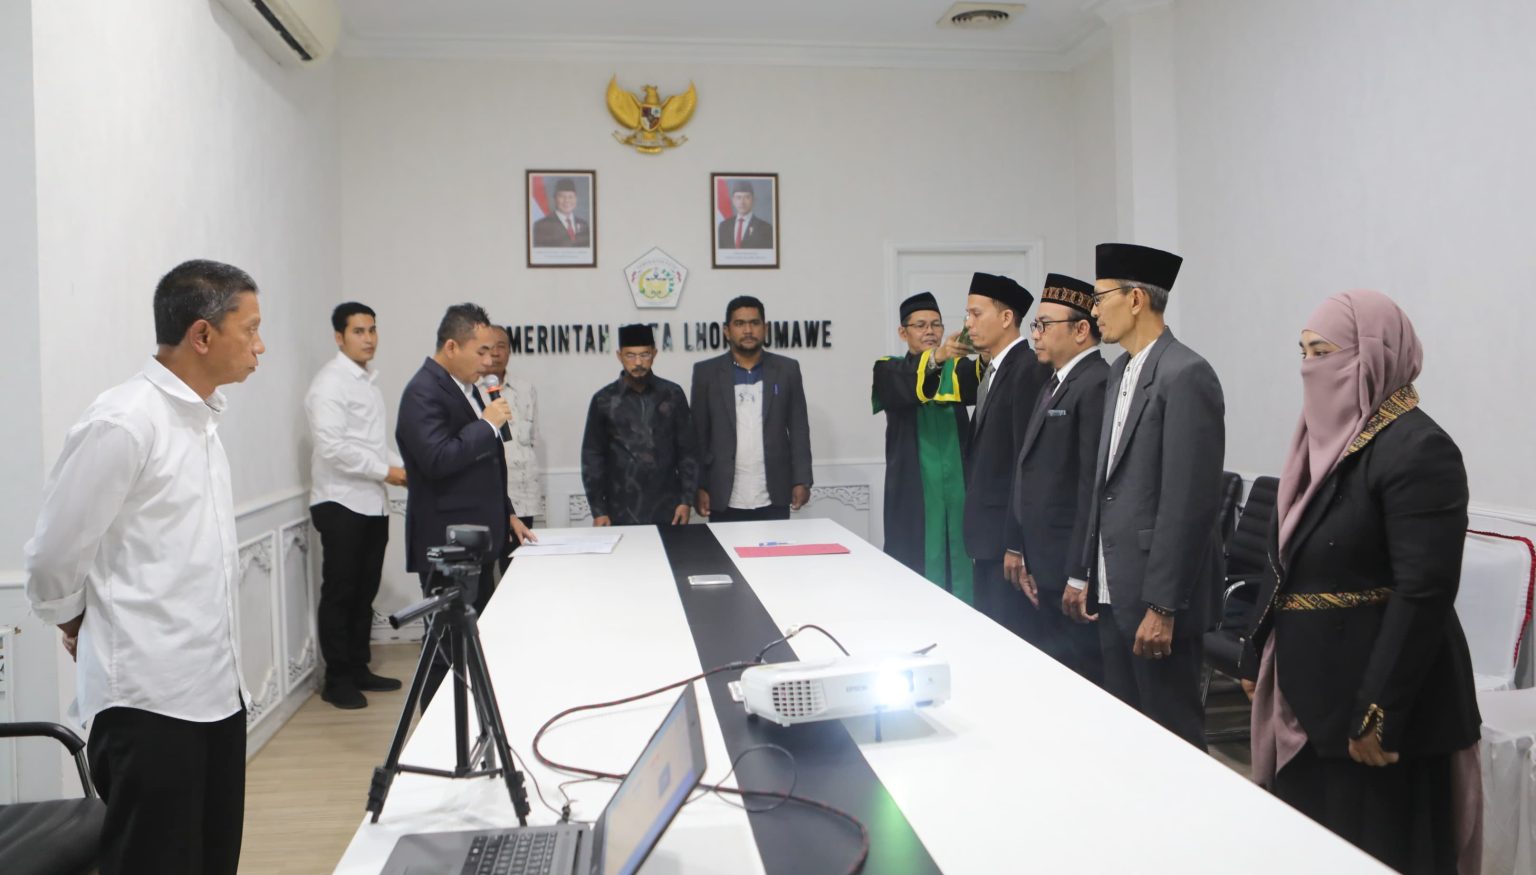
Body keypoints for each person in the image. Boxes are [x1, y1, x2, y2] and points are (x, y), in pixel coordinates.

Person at [24, 259, 264, 875]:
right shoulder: (124, 420)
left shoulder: (202, 420)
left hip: (217, 689)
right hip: (148, 701)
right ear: (202, 335)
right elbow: (54, 555)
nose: (259, 346)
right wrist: (74, 620)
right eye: (250, 329)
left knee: (214, 859)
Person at [1241, 290, 1481, 874]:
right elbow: (1288, 556)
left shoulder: (1418, 449)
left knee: (1377, 851)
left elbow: (1423, 591)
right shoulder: (1321, 445)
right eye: (1302, 352)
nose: (1309, 367)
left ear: (1375, 355)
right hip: (1308, 699)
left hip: (1379, 712)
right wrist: (1256, 650)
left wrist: (1378, 713)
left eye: (1323, 352)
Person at [1066, 242, 1224, 750]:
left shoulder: (1186, 373)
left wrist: (1164, 605)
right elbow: (1104, 484)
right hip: (1114, 586)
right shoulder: (1120, 371)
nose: (1093, 311)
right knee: (1128, 736)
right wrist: (1085, 572)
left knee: (1172, 738)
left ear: (1135, 299)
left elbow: (1188, 503)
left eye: (1100, 298)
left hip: (1156, 598)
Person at [396, 303, 535, 707]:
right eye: (481, 351)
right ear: (452, 347)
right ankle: (434, 730)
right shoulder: (423, 391)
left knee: (472, 642)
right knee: (444, 647)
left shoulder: (465, 388)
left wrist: (507, 511)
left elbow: (484, 463)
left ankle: (471, 718)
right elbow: (437, 460)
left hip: (476, 539)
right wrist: (487, 424)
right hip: (446, 543)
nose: (488, 361)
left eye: (492, 351)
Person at [927, 272, 1051, 638]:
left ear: (1007, 317)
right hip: (988, 538)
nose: (968, 324)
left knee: (1014, 638)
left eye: (976, 314)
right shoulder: (994, 369)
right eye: (968, 314)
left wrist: (1017, 543)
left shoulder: (1027, 369)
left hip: (1006, 542)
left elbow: (1025, 463)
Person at [1002, 273, 1107, 683]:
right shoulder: (1055, 381)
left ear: (1081, 330)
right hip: (1044, 562)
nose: (1036, 335)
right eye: (1036, 325)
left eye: (1045, 325)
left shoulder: (1095, 383)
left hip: (1068, 567)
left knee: (1081, 678)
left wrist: (1079, 573)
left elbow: (1090, 486)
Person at [305, 302, 407, 710]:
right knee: (341, 593)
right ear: (339, 337)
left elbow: (372, 445)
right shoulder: (329, 384)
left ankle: (359, 667)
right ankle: (337, 680)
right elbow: (332, 448)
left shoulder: (367, 383)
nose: (368, 338)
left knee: (365, 591)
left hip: (371, 503)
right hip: (340, 501)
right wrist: (386, 471)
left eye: (372, 330)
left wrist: (404, 467)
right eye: (359, 331)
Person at [871, 291, 973, 603]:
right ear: (903, 333)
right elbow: (904, 386)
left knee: (963, 563)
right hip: (913, 494)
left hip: (960, 490)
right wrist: (938, 358)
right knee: (913, 566)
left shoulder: (957, 369)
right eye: (920, 325)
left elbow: (983, 378)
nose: (930, 331)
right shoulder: (888, 369)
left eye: (936, 324)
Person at [691, 296, 812, 522]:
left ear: (765, 328)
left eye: (754, 323)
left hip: (774, 490)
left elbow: (799, 429)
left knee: (775, 546)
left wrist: (802, 479)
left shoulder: (787, 369)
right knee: (724, 547)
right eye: (739, 324)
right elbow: (698, 435)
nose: (748, 330)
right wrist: (699, 485)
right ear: (727, 331)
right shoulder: (706, 373)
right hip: (722, 492)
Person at [581, 324, 699, 526]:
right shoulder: (604, 400)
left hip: (668, 508)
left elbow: (688, 450)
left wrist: (686, 500)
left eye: (644, 355)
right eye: (630, 355)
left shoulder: (672, 394)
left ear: (654, 354)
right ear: (619, 356)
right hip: (619, 509)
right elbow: (592, 457)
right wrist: (598, 511)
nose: (638, 362)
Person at [481, 324, 543, 539]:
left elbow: (532, 437)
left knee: (521, 555)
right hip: (488, 493)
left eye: (501, 346)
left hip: (523, 492)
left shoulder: (525, 389)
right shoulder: (471, 391)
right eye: (489, 347)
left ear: (509, 351)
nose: (495, 353)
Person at [532, 178, 591, 247]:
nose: (567, 201)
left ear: (576, 199)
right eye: (562, 196)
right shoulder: (542, 226)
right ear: (555, 199)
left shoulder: (583, 224)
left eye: (571, 197)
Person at [715, 180, 774, 249]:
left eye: (747, 197)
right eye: (738, 197)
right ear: (733, 200)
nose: (742, 202)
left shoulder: (766, 228)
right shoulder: (723, 226)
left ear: (753, 200)